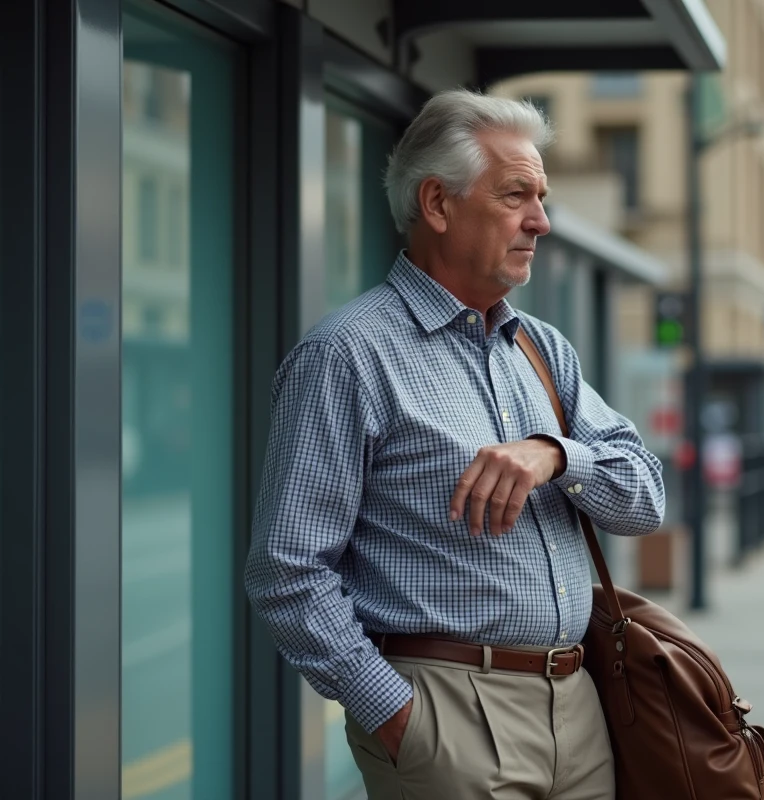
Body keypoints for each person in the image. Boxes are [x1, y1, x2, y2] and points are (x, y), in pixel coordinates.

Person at [245, 89, 665, 800]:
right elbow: (287, 569)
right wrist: (397, 716)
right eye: (516, 196)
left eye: (542, 196)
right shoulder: (347, 356)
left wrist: (556, 453)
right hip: (448, 718)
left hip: (580, 707)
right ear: (438, 204)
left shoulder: (541, 348)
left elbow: (645, 497)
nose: (542, 221)